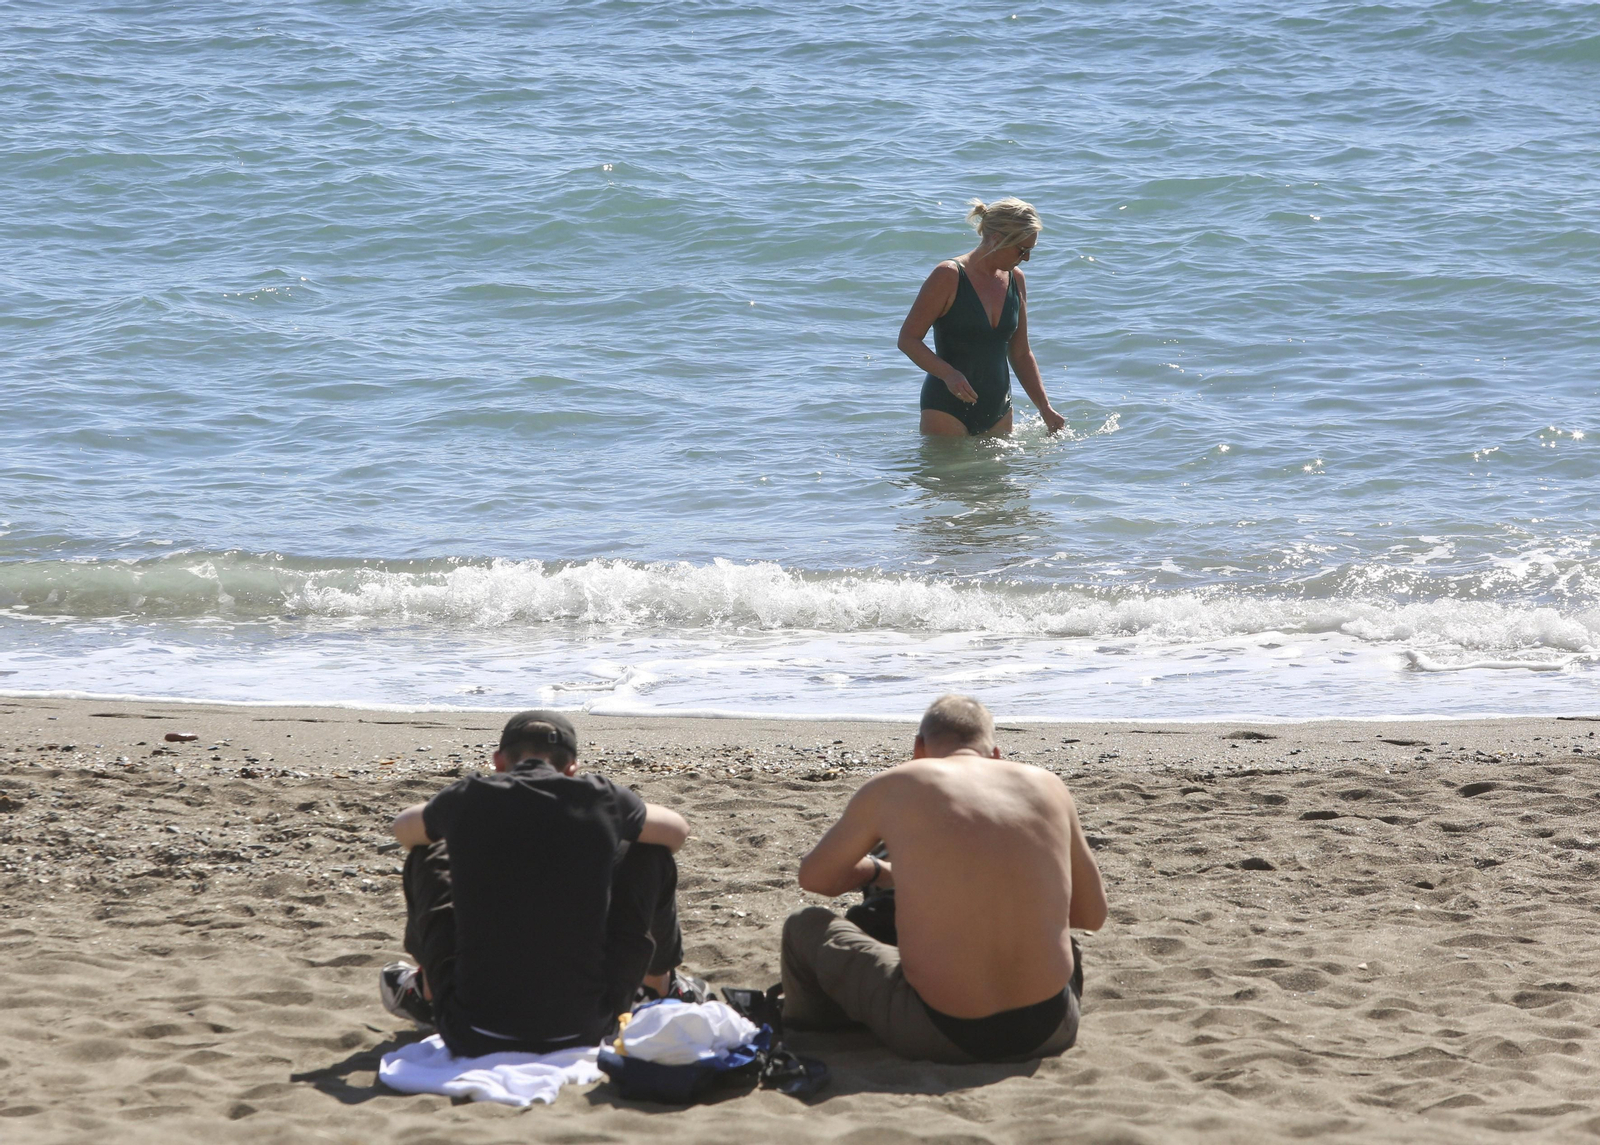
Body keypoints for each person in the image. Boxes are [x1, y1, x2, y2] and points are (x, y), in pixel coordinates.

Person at [780, 694, 1107, 1063]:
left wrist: (876, 870)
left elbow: (816, 878)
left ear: (918, 748)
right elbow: (1090, 917)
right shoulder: (1048, 786)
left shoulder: (896, 784)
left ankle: (818, 1032)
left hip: (942, 1032)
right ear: (995, 754)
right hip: (1054, 1027)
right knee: (1056, 939)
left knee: (804, 926)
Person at [378, 710, 705, 1056]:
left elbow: (404, 829)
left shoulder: (470, 795)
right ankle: (657, 986)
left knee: (426, 853)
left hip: (470, 1029)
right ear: (572, 768)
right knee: (649, 853)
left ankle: (427, 988)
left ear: (498, 762)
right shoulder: (599, 797)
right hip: (587, 1027)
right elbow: (677, 832)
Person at [898, 197, 1068, 438]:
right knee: (945, 477)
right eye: (1022, 250)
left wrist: (1045, 408)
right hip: (946, 408)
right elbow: (908, 339)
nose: (1027, 258)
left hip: (999, 409)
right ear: (998, 240)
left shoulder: (1015, 279)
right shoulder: (948, 275)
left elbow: (1020, 353)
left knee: (999, 477)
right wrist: (948, 374)